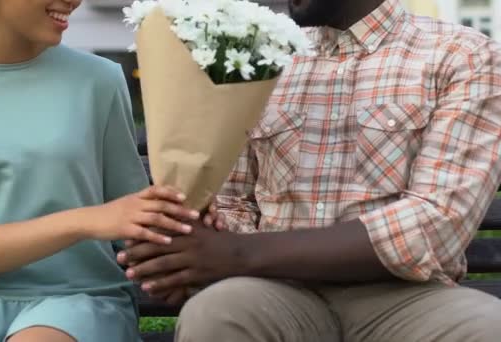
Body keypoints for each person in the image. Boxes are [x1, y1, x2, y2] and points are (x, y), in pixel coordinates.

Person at [118, 0, 501, 341]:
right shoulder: (263, 56)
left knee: (487, 326)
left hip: (408, 298)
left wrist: (235, 252)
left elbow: (434, 224)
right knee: (215, 312)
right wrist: (189, 255)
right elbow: (233, 202)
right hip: (274, 292)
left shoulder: (463, 55)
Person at [0, 0, 202, 341]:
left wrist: (185, 230)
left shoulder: (100, 79)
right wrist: (86, 219)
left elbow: (132, 218)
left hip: (83, 296)